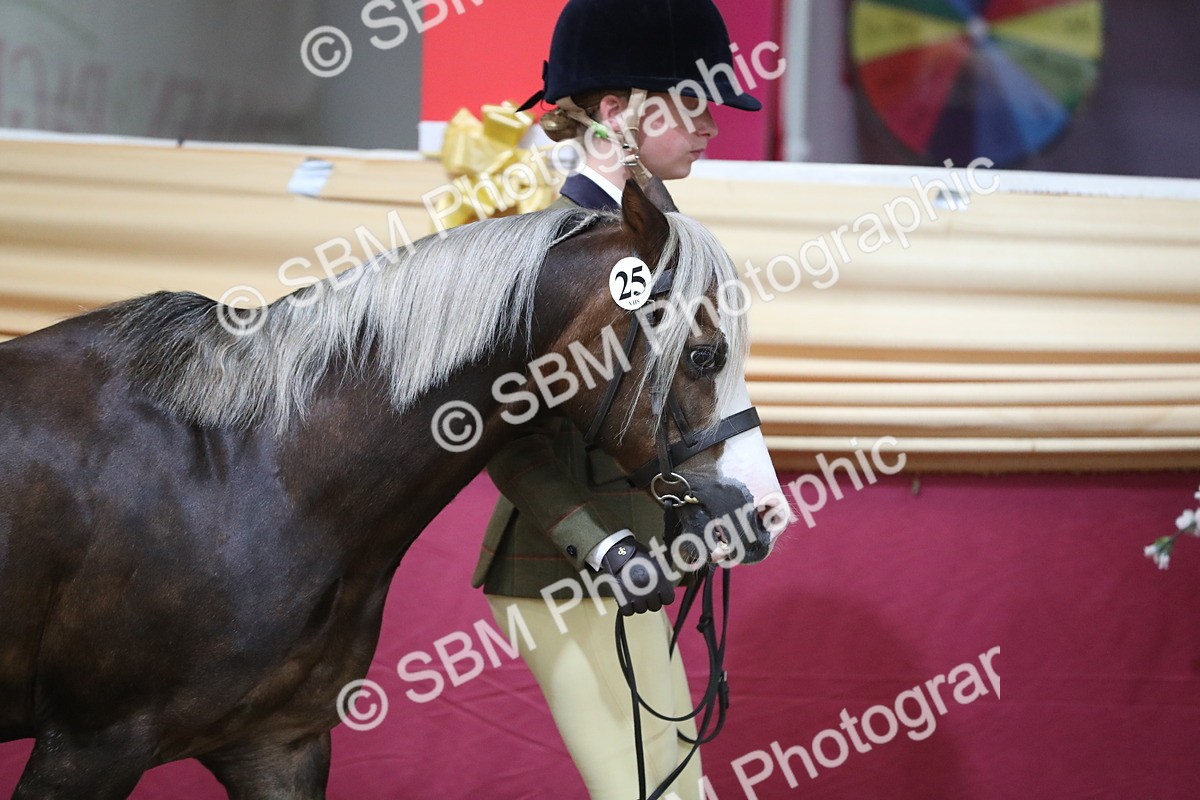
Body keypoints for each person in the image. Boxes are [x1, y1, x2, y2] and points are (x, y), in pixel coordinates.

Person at [470, 1, 762, 796]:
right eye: (691, 104)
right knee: (649, 790)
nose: (711, 125)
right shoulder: (554, 251)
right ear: (615, 113)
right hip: (561, 569)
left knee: (681, 786)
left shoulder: (661, 236)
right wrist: (601, 548)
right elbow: (508, 436)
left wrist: (710, 505)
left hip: (640, 563)